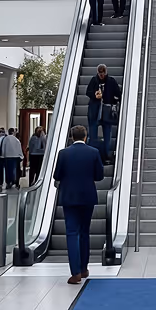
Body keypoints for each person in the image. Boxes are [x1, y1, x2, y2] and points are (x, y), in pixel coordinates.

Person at [52, 122, 105, 284]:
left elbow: (57, 175)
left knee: (72, 233)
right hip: (88, 197)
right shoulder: (94, 152)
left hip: (69, 197)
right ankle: (84, 268)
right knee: (84, 232)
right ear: (85, 136)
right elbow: (99, 176)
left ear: (71, 137)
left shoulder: (63, 153)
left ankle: (75, 273)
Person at [85, 64, 121, 163]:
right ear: (98, 73)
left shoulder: (111, 81)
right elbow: (88, 92)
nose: (101, 75)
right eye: (100, 73)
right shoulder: (94, 80)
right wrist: (95, 95)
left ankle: (105, 156)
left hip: (106, 110)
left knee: (106, 134)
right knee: (93, 134)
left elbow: (118, 93)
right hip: (95, 110)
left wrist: (112, 99)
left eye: (103, 73)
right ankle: (94, 156)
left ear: (106, 72)